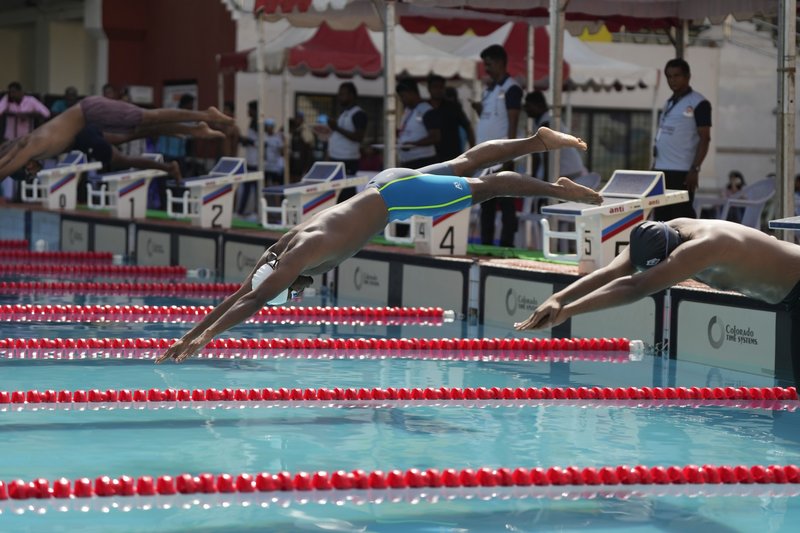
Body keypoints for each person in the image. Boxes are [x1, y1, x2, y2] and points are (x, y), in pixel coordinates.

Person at [156, 127, 602, 363]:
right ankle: (536, 140)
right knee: (466, 162)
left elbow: (252, 301)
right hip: (383, 184)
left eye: (292, 288)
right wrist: (191, 333)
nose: (296, 292)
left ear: (287, 275)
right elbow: (243, 291)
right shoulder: (288, 246)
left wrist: (208, 337)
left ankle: (559, 189)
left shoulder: (296, 260)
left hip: (396, 197)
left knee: (489, 187)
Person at [514, 219, 800, 332]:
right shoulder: (662, 231)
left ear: (670, 257)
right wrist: (557, 299)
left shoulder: (703, 246)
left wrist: (569, 311)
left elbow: (635, 287)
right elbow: (613, 272)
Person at [0, 95, 232, 181]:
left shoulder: (33, 147)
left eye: (29, 172)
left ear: (26, 165)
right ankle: (195, 129)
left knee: (147, 117)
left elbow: (5, 169)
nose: (35, 172)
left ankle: (205, 115)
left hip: (91, 111)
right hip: (92, 119)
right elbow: (8, 156)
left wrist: (9, 162)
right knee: (140, 128)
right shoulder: (28, 145)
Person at [472, 44, 523, 247]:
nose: (486, 69)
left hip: (502, 156)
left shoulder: (512, 88)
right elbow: (490, 119)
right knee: (486, 204)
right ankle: (485, 243)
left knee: (506, 203)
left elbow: (513, 123)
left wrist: (509, 155)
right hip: (485, 157)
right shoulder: (489, 89)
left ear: (501, 62)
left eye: (489, 64)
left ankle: (506, 244)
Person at [652, 58, 712, 221]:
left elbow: (705, 138)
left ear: (687, 77)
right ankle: (663, 247)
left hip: (682, 171)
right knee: (660, 218)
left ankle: (687, 247)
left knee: (681, 218)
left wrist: (695, 169)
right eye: (669, 76)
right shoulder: (668, 103)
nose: (672, 80)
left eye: (677, 76)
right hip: (661, 169)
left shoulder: (699, 102)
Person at [524, 91, 587, 181]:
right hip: (567, 169)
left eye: (528, 106)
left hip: (567, 170)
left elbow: (547, 156)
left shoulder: (547, 123)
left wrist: (544, 183)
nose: (526, 109)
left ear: (539, 105)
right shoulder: (540, 121)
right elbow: (537, 156)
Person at [327, 82, 368, 203]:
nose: (339, 97)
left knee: (346, 195)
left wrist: (337, 128)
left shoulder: (358, 114)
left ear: (352, 95)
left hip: (348, 160)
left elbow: (359, 137)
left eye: (343, 94)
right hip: (336, 158)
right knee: (337, 194)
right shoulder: (345, 113)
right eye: (339, 94)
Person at [427, 74, 475, 163]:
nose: (438, 90)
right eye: (435, 87)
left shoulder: (453, 107)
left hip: (451, 156)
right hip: (428, 156)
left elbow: (468, 127)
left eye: (441, 87)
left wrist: (472, 150)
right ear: (429, 89)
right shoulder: (424, 107)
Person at [396, 78, 441, 169]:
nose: (402, 100)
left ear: (412, 93)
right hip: (408, 160)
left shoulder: (426, 110)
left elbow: (435, 137)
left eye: (403, 96)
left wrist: (413, 144)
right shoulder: (408, 110)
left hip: (423, 161)